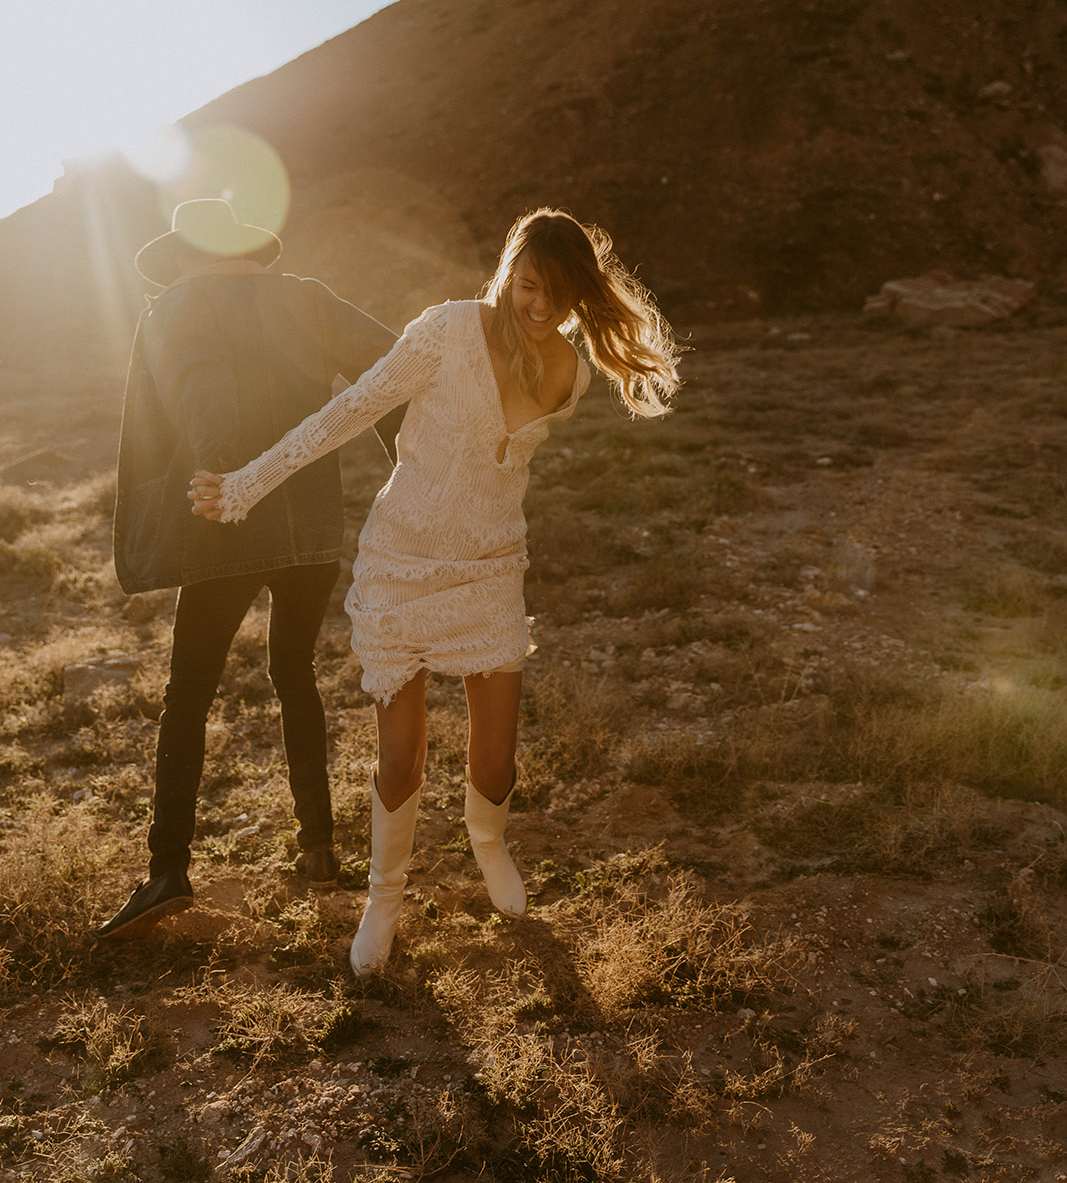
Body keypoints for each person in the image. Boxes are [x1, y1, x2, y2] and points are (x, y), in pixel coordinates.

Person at [190, 208, 680, 975]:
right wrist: (247, 483)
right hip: (400, 561)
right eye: (527, 287)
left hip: (489, 567)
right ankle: (384, 898)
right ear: (506, 273)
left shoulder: (571, 372)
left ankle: (488, 844)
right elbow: (348, 412)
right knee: (400, 755)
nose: (540, 306)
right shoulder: (447, 331)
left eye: (559, 294)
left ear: (580, 294)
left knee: (493, 757)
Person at [98, 197, 403, 941]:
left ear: (184, 255)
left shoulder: (176, 305)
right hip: (312, 525)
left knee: (189, 693)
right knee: (293, 673)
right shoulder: (306, 297)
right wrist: (411, 469)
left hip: (223, 517)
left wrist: (222, 470)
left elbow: (203, 386)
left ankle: (167, 870)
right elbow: (396, 367)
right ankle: (319, 847)